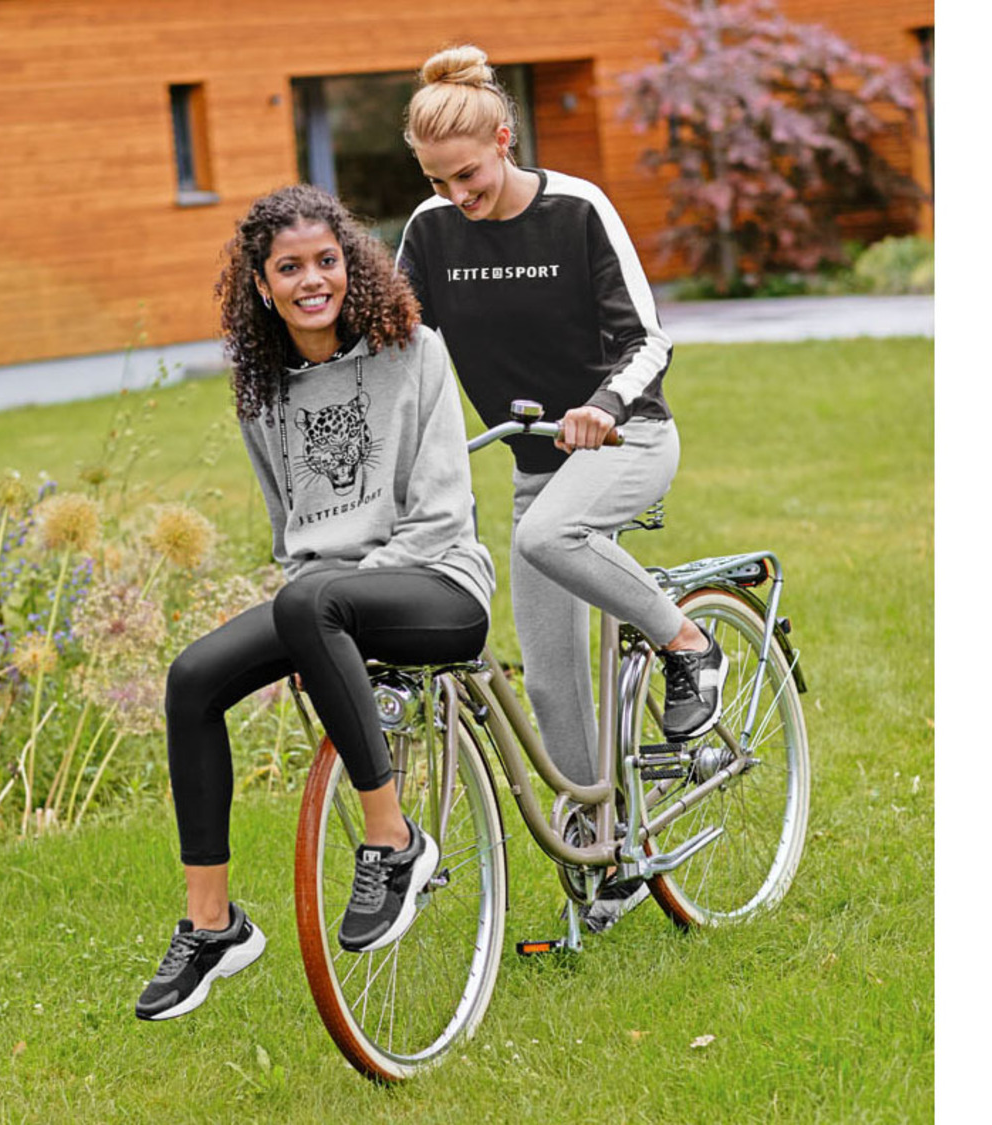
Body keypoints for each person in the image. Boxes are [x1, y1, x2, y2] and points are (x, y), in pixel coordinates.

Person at [136, 184, 496, 1021]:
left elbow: (443, 514)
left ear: (350, 265)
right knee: (192, 678)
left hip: (437, 581)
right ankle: (212, 925)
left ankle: (393, 841)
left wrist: (336, 607)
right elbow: (289, 529)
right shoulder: (264, 388)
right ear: (262, 285)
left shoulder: (414, 351)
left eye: (326, 261)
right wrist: (327, 611)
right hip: (326, 604)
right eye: (290, 268)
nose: (312, 281)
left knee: (311, 603)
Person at [397, 45, 726, 933]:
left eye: (468, 175)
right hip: (536, 465)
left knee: (547, 537)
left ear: (504, 139)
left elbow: (649, 339)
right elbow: (404, 346)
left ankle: (690, 643)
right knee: (549, 681)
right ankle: (606, 854)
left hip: (629, 437)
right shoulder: (431, 230)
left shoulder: (577, 209)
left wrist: (602, 406)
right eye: (437, 180)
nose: (457, 195)